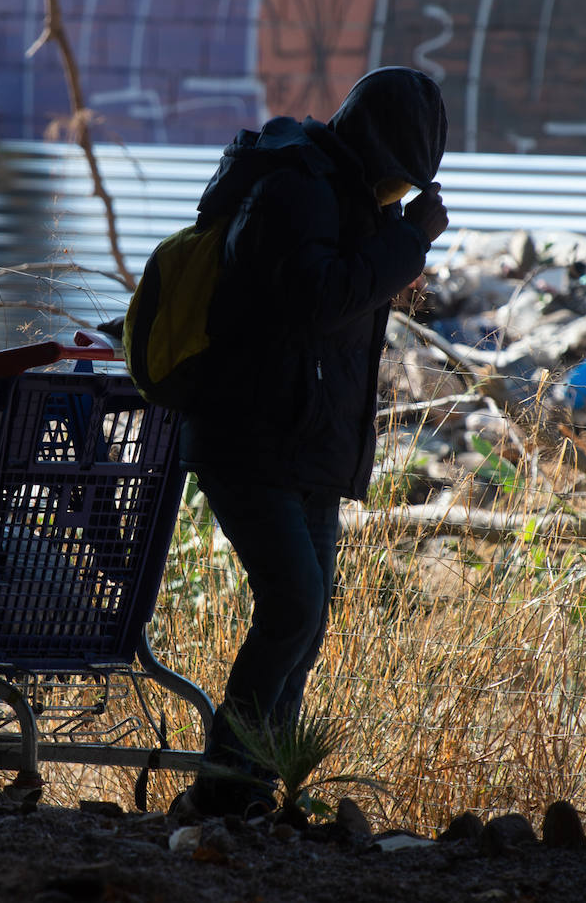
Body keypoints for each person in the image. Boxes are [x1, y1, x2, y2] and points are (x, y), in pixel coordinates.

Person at [172, 67, 450, 818]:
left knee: (309, 613)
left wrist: (393, 242)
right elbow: (314, 299)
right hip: (248, 435)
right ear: (370, 147)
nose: (398, 193)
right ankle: (225, 791)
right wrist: (407, 243)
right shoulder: (294, 188)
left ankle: (259, 782)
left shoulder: (344, 193)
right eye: (396, 178)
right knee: (293, 605)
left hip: (306, 445)